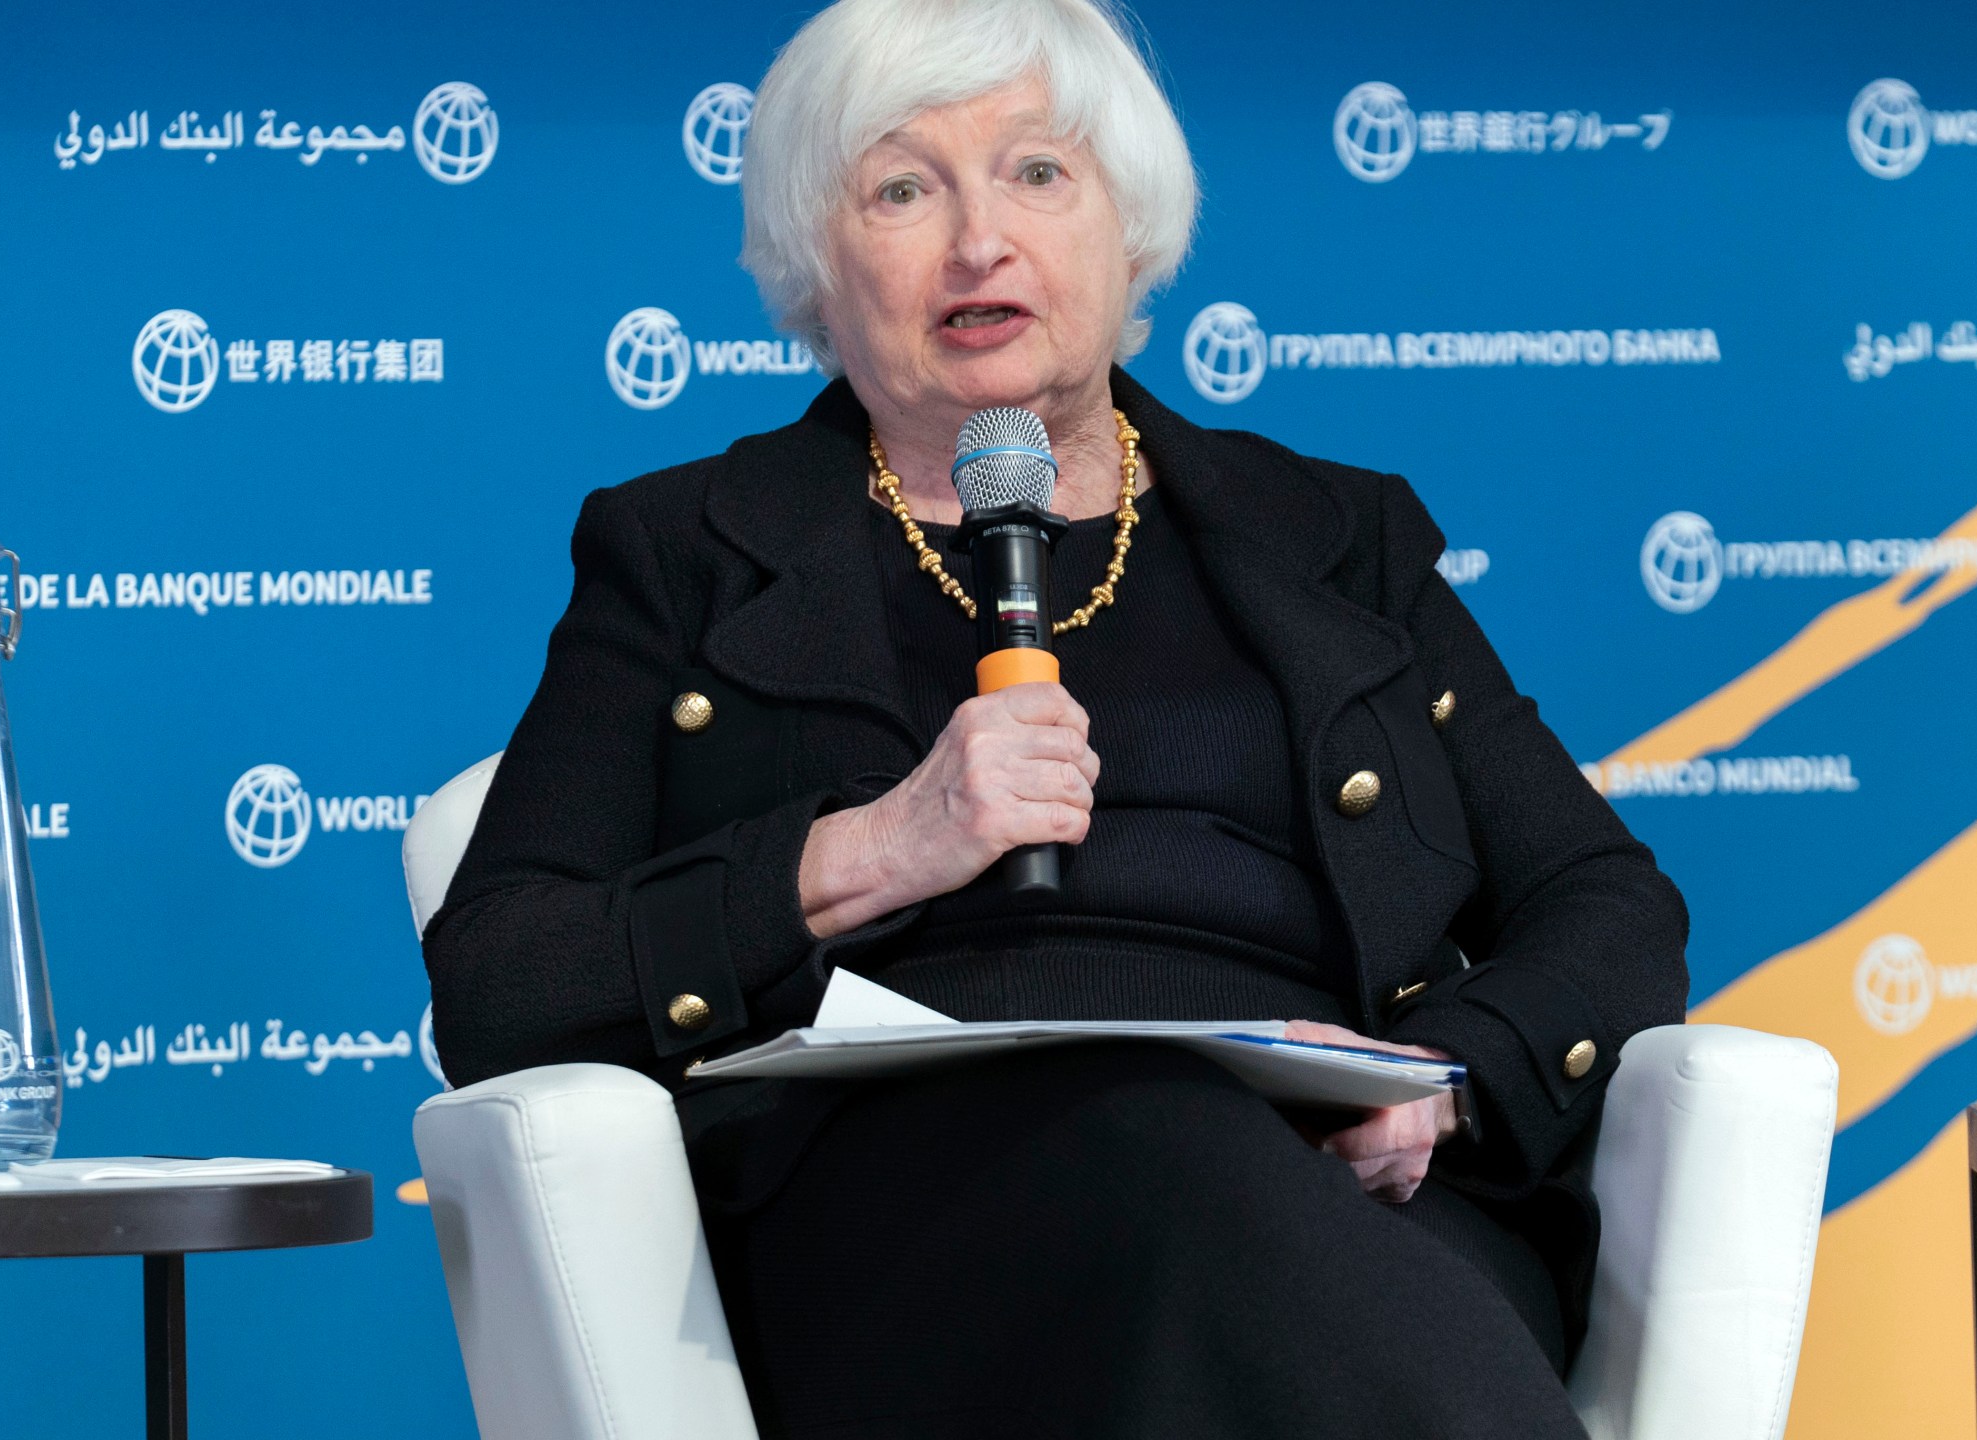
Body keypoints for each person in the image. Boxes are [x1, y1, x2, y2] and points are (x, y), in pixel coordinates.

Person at [424, 0, 1688, 1433]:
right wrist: (869, 853)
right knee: (1157, 1137)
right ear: (816, 271)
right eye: (902, 189)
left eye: (1037, 172)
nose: (979, 241)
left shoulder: (1337, 536)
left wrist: (1442, 1080)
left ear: (1126, 224)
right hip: (909, 1231)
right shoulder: (683, 554)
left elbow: (1607, 902)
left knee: (1251, 1202)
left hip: (1345, 1190)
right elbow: (500, 978)